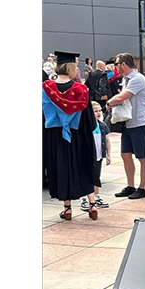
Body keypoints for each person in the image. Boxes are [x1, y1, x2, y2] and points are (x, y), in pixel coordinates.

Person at [42, 50, 99, 220]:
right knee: (82, 166)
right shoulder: (81, 90)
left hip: (55, 136)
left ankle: (67, 208)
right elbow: (90, 120)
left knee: (61, 168)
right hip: (78, 136)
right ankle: (92, 203)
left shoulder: (45, 89)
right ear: (72, 68)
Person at [105, 53, 145, 200]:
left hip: (140, 123)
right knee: (125, 154)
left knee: (143, 158)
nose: (115, 67)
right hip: (129, 122)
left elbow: (121, 97)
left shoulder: (137, 79)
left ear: (123, 65)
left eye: (117, 64)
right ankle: (130, 186)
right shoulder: (127, 79)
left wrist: (108, 104)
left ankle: (142, 188)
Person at [82, 100, 113, 212]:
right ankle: (85, 198)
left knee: (96, 176)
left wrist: (108, 154)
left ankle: (97, 196)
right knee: (86, 176)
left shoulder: (102, 125)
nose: (99, 113)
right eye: (95, 111)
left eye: (100, 110)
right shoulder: (85, 126)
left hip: (99, 156)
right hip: (88, 156)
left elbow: (107, 140)